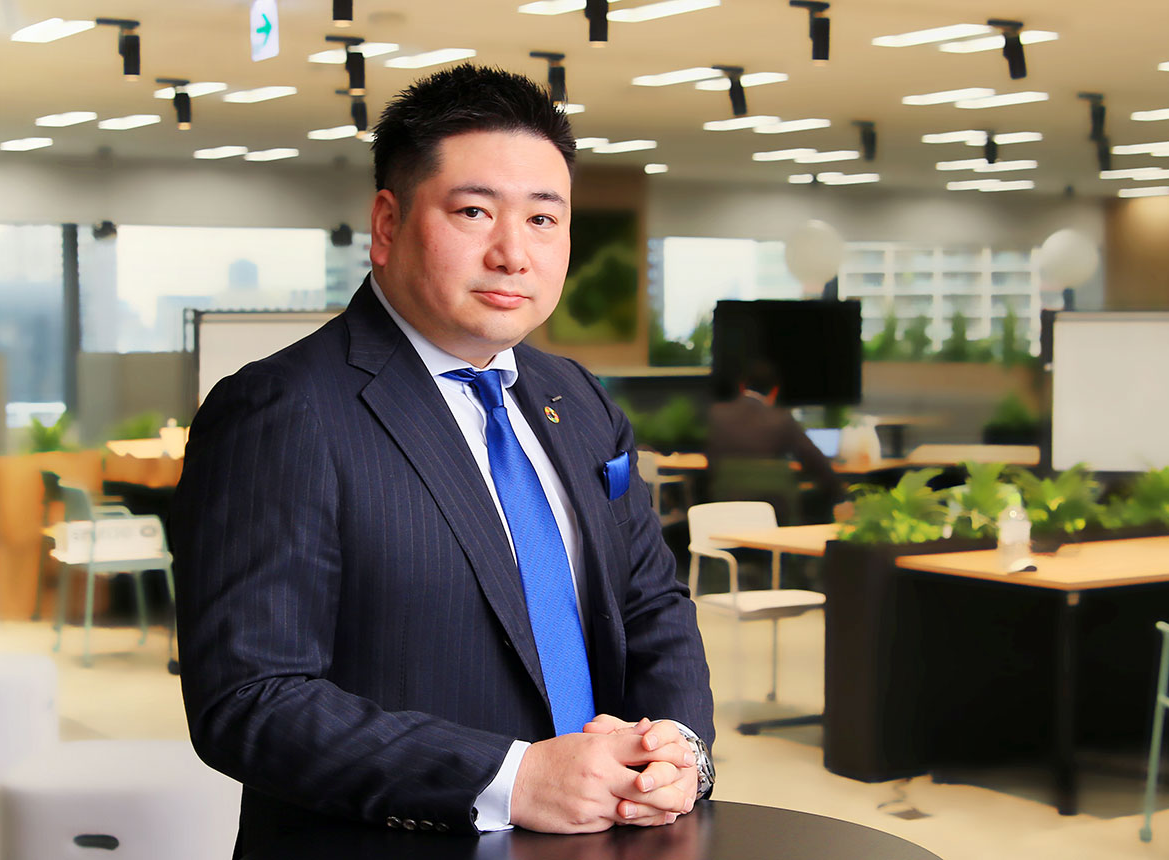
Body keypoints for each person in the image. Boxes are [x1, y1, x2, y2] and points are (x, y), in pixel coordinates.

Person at [170, 65, 715, 858]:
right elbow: (250, 697)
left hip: (605, 839)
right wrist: (513, 778)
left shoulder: (577, 398)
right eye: (473, 212)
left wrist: (679, 748)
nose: (513, 254)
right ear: (387, 223)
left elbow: (652, 603)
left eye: (543, 219)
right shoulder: (283, 409)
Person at [705, 360, 844, 521]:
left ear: (742, 387)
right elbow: (815, 461)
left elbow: (711, 462)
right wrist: (839, 493)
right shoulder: (782, 419)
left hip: (726, 509)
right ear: (774, 392)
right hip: (776, 514)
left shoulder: (717, 415)